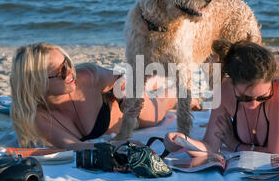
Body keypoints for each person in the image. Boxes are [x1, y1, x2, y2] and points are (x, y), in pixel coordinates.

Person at [10, 42, 179, 151]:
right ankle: (152, 83)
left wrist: (123, 99)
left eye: (67, 63)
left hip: (129, 114)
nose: (70, 71)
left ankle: (168, 88)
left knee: (161, 106)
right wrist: (117, 146)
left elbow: (122, 79)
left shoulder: (87, 76)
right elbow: (74, 147)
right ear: (37, 82)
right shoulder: (39, 116)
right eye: (61, 71)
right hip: (114, 126)